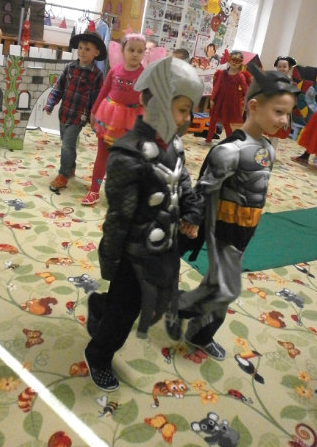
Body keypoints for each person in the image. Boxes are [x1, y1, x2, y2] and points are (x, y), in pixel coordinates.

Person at [84, 57, 204, 391]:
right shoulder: (128, 155)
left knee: (151, 301)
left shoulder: (174, 144)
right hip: (133, 252)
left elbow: (183, 182)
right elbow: (118, 217)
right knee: (125, 311)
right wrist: (110, 258)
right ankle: (98, 355)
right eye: (182, 110)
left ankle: (100, 305)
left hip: (164, 246)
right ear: (158, 104)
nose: (187, 119)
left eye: (189, 111)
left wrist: (192, 213)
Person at [168, 64, 300, 360]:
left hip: (245, 229)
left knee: (218, 285)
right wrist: (193, 220)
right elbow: (204, 188)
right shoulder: (230, 151)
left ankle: (195, 328)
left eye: (288, 113)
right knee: (225, 289)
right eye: (278, 112)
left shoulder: (268, 149)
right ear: (253, 106)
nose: (284, 120)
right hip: (222, 227)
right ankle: (176, 308)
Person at [81, 33, 146, 205]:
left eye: (140, 51)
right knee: (102, 155)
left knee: (127, 159)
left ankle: (122, 192)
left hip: (132, 122)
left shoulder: (145, 74)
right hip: (109, 117)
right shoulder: (115, 70)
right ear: (123, 51)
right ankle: (94, 190)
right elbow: (104, 91)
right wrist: (94, 111)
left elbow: (150, 98)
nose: (135, 54)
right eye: (131, 50)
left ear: (144, 53)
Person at [44, 30, 106, 190]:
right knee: (66, 143)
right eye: (80, 48)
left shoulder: (97, 75)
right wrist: (50, 104)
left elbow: (97, 99)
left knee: (67, 145)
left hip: (79, 116)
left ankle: (63, 175)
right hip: (64, 112)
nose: (82, 52)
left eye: (87, 49)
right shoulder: (70, 68)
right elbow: (59, 88)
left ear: (96, 52)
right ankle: (71, 167)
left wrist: (95, 118)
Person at [204, 50, 248, 144]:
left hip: (230, 103)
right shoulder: (222, 73)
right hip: (219, 100)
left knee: (226, 122)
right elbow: (216, 86)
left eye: (237, 61)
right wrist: (212, 99)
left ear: (241, 63)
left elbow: (245, 89)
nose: (234, 63)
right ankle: (208, 140)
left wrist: (246, 100)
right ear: (229, 60)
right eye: (233, 60)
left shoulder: (240, 76)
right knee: (213, 120)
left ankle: (229, 141)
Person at [268, 55, 297, 151]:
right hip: (271, 109)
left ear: (289, 68)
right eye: (279, 66)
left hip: (282, 111)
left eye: (284, 66)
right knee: (268, 131)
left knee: (275, 134)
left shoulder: (291, 83)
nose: (281, 69)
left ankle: (271, 152)